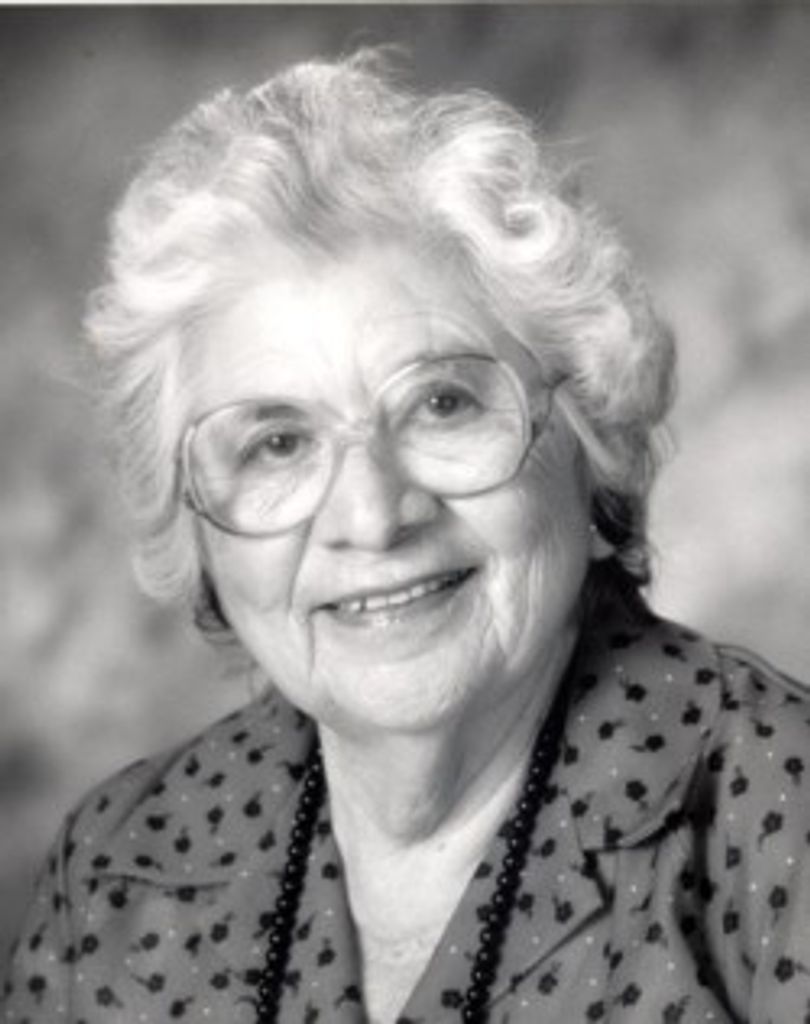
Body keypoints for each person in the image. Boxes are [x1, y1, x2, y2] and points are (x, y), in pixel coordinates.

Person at [3, 49, 809, 1024]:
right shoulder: (119, 871)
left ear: (590, 435)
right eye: (277, 443)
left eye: (442, 404)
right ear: (198, 528)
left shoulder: (777, 822)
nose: (373, 515)